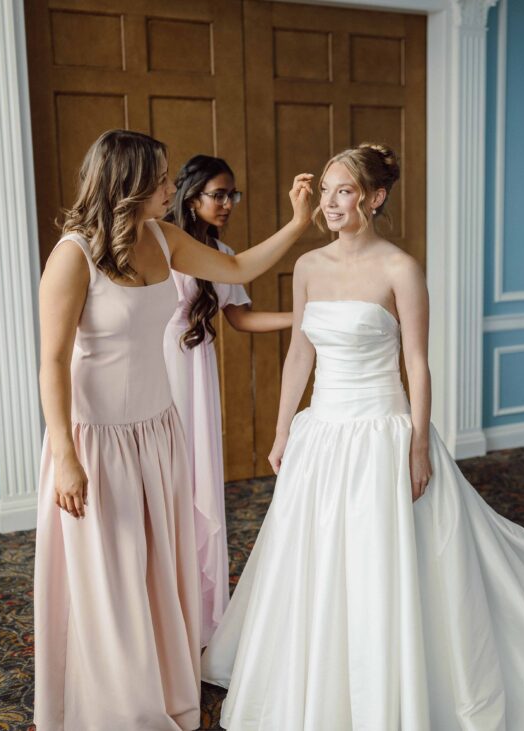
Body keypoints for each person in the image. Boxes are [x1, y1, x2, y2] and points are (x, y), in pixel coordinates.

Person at [200, 143, 524, 730]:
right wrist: (283, 431)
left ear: (374, 198)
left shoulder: (399, 268)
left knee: (393, 563)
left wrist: (416, 446)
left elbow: (417, 363)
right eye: (325, 191)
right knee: (317, 556)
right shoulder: (308, 266)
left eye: (343, 191)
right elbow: (300, 352)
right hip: (322, 433)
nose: (329, 203)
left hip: (382, 432)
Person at [34, 129, 311, 730]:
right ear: (129, 182)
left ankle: (161, 687)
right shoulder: (73, 255)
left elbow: (237, 266)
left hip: (158, 433)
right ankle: (116, 707)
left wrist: (297, 223)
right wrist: (65, 455)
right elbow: (51, 362)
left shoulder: (163, 237)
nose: (170, 187)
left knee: (159, 570)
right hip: (95, 439)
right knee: (110, 577)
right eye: (160, 178)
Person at [163, 154, 292, 646]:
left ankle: (197, 610)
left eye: (232, 195)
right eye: (218, 194)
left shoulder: (221, 252)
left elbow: (241, 319)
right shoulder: (160, 242)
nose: (228, 204)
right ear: (190, 195)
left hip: (196, 368)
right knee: (165, 476)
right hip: (159, 363)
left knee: (196, 473)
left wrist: (303, 317)